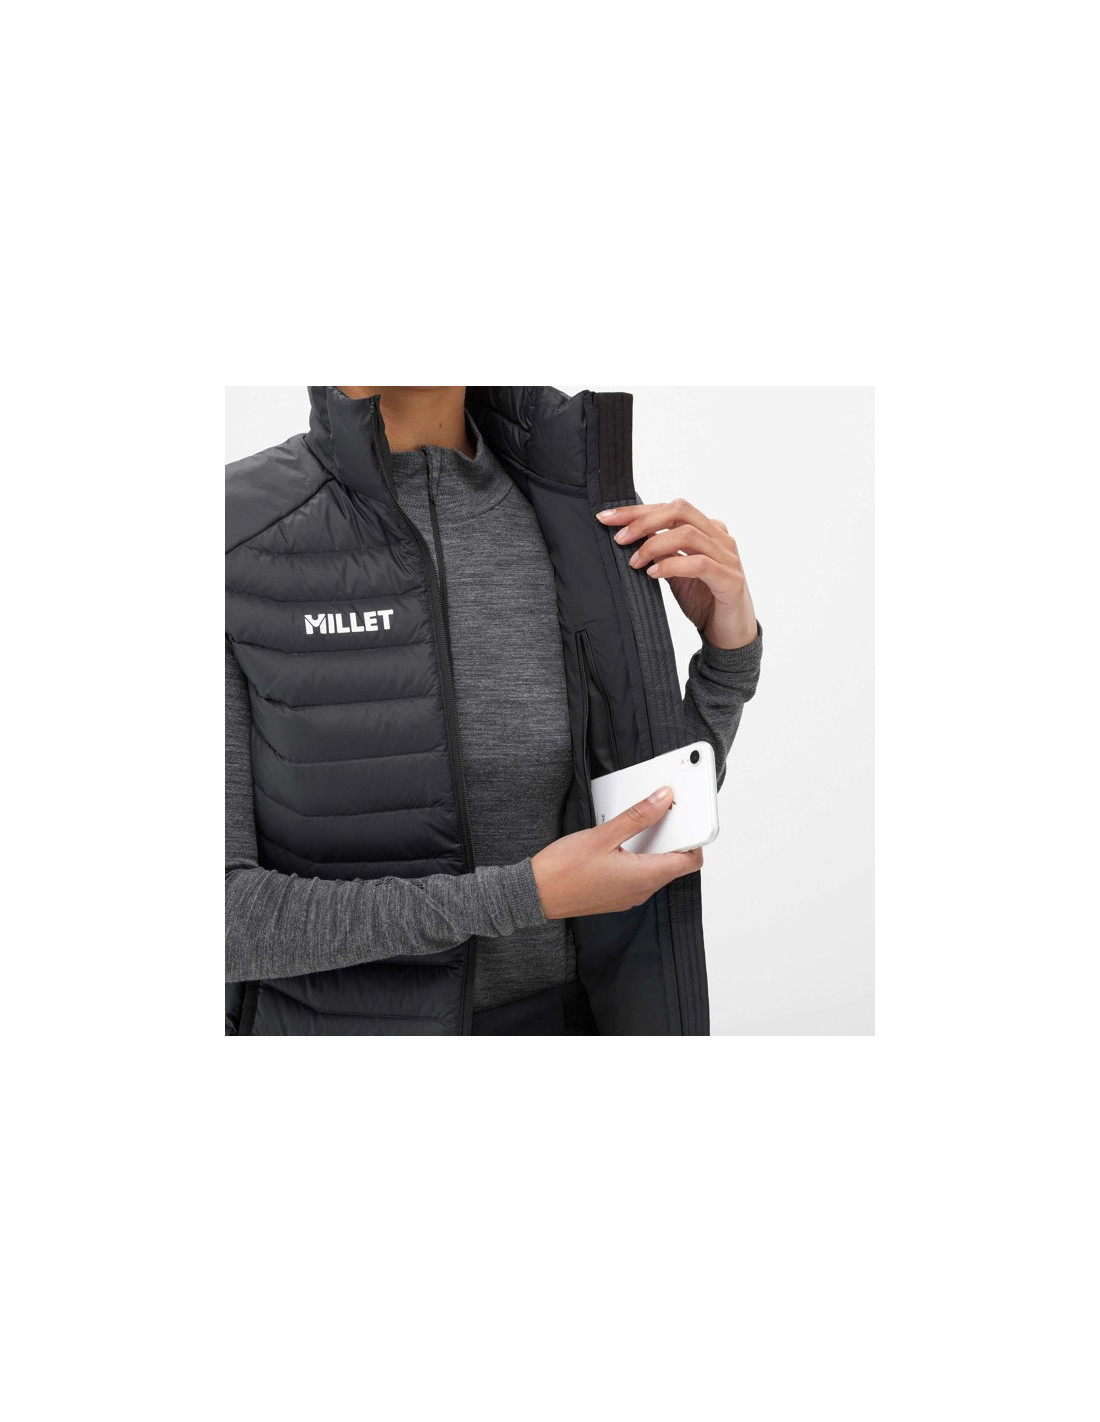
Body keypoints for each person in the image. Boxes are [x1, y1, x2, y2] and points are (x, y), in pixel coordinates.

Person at [226, 386, 762, 1035]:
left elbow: (636, 825)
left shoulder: (577, 522)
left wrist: (727, 662)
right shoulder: (235, 530)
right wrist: (519, 897)